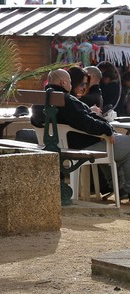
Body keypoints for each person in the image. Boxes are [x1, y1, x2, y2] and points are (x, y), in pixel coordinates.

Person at [36, 68, 130, 197]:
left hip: (52, 146)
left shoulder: (39, 100)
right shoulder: (66, 100)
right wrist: (107, 130)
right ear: (64, 82)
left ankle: (118, 186)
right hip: (79, 147)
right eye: (69, 82)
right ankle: (125, 188)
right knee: (127, 145)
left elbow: (35, 121)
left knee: (110, 143)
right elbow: (85, 122)